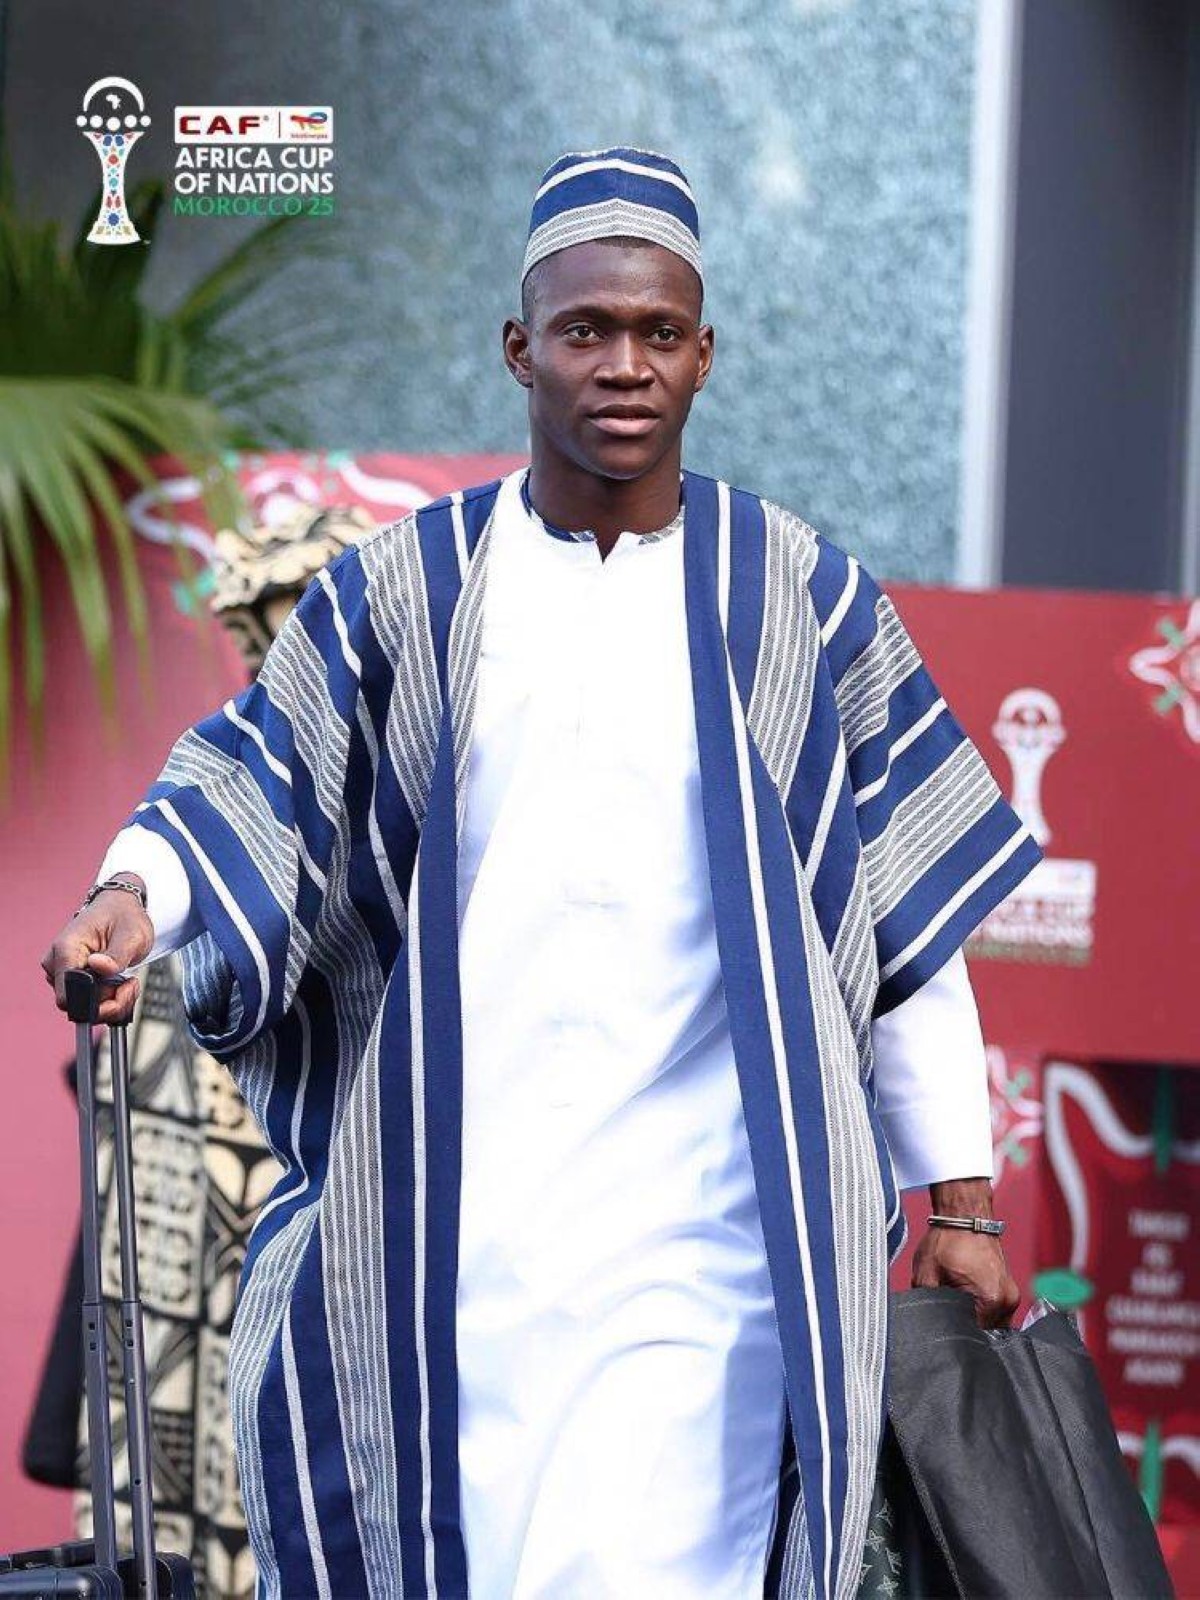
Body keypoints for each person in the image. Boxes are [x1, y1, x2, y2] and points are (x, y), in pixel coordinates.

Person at [43, 149, 1040, 1600]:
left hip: (718, 1249)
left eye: (658, 332)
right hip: (460, 1241)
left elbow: (905, 930)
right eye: (586, 330)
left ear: (706, 353)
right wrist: (135, 896)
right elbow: (255, 782)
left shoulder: (800, 600)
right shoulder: (407, 592)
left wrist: (962, 1207)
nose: (624, 365)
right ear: (521, 348)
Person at [31, 503, 374, 1598]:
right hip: (176, 1266)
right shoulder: (190, 841)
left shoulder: (411, 842)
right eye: (264, 632)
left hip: (341, 1225)